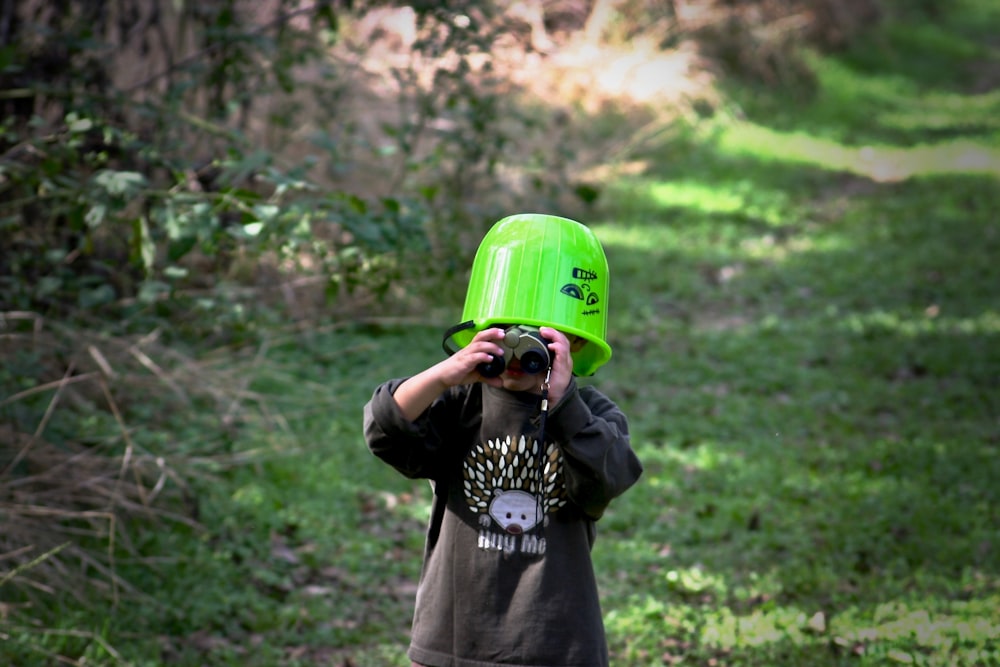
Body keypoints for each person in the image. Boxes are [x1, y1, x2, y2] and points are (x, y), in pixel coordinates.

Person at [363, 213, 643, 667]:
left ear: (573, 342)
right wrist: (443, 375)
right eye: (505, 332)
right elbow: (385, 428)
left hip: (556, 645)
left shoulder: (592, 416)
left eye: (538, 341)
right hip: (451, 640)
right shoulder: (459, 405)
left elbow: (608, 477)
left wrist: (564, 402)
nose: (517, 355)